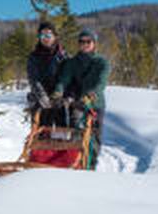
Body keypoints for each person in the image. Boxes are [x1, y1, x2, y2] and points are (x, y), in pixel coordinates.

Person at [52, 29, 110, 170]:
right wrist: (58, 91)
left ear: (94, 44)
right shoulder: (72, 63)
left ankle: (90, 167)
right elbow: (64, 79)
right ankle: (76, 165)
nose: (84, 44)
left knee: (94, 138)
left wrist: (91, 94)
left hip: (95, 105)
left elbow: (101, 82)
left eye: (88, 41)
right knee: (76, 134)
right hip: (77, 104)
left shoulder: (101, 62)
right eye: (81, 41)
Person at [26, 21, 68, 125]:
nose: (45, 38)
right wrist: (42, 96)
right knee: (41, 135)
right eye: (42, 35)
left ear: (55, 36)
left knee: (61, 134)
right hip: (40, 100)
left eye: (48, 35)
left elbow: (67, 77)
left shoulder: (63, 56)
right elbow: (34, 79)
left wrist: (60, 93)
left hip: (58, 99)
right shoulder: (34, 56)